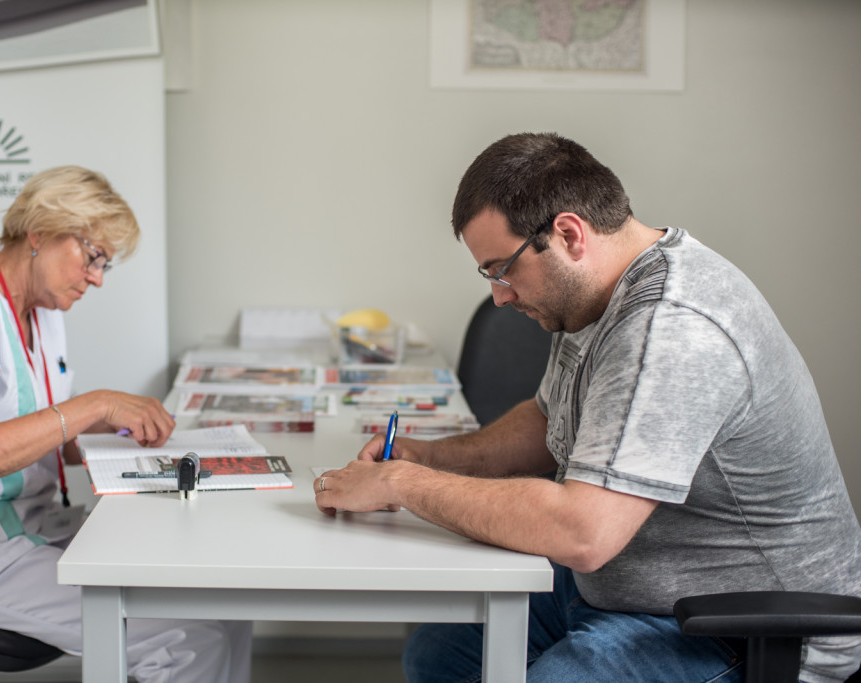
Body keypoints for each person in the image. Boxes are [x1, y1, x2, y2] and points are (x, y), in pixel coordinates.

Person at [313, 133, 861, 683]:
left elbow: (583, 533)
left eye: (503, 269)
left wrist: (403, 485)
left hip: (736, 627)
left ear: (568, 234)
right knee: (439, 656)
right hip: (631, 585)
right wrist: (426, 457)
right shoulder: (592, 297)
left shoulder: (673, 328)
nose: (500, 296)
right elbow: (548, 421)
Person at [0, 166, 251, 683]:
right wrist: (94, 405)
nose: (96, 277)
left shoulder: (42, 311)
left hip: (23, 529)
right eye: (93, 256)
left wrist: (142, 436)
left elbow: (50, 437)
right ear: (39, 232)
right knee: (188, 639)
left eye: (105, 265)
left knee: (217, 599)